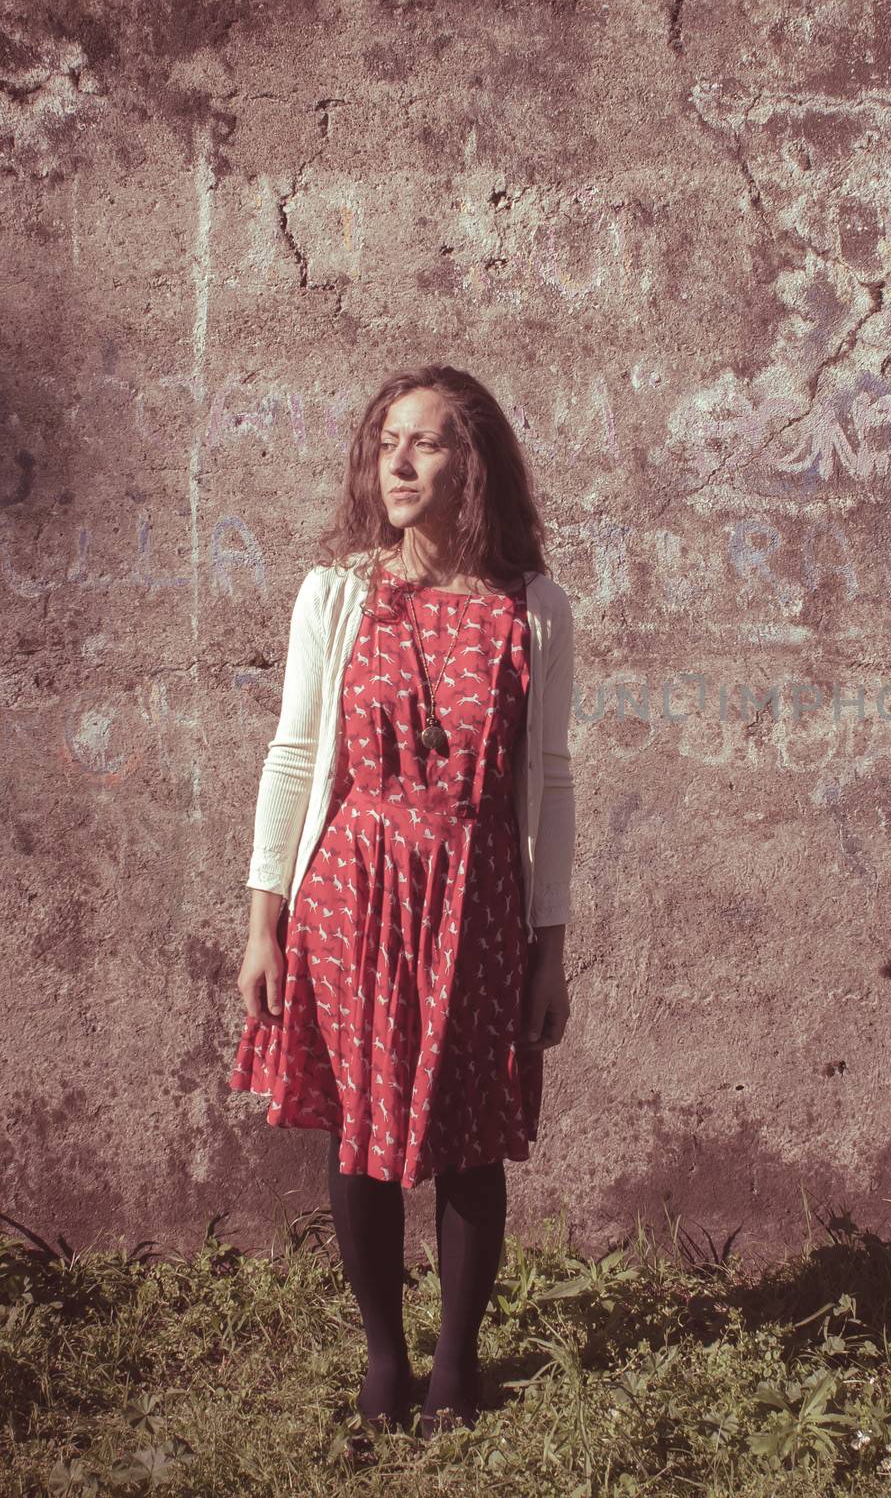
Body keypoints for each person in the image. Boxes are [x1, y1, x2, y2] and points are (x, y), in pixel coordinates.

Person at [228, 364, 577, 1436]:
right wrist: (263, 916)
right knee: (360, 1132)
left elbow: (548, 778)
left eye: (424, 442)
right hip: (352, 892)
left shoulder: (534, 609)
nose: (398, 460)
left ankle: (456, 1366)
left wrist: (549, 946)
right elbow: (295, 755)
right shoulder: (335, 592)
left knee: (468, 1135)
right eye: (386, 440)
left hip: (474, 896)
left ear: (472, 462)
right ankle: (385, 1356)